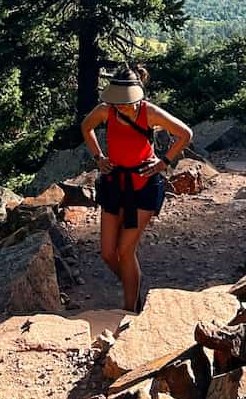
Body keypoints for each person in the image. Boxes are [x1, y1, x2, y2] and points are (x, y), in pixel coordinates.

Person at [80, 65, 192, 312]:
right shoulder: (104, 111)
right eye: (117, 101)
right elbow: (85, 127)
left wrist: (164, 162)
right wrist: (99, 157)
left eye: (124, 102)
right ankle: (133, 284)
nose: (119, 105)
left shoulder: (149, 112)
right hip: (114, 183)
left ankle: (129, 310)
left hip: (144, 186)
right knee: (108, 253)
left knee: (125, 249)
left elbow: (185, 134)